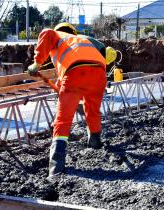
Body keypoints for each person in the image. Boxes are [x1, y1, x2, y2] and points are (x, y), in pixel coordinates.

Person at [27, 22, 117, 178]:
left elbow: (47, 32)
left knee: (63, 120)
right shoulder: (82, 40)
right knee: (92, 109)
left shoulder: (57, 36)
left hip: (75, 73)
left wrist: (37, 63)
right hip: (99, 74)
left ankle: (56, 168)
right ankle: (95, 141)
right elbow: (101, 51)